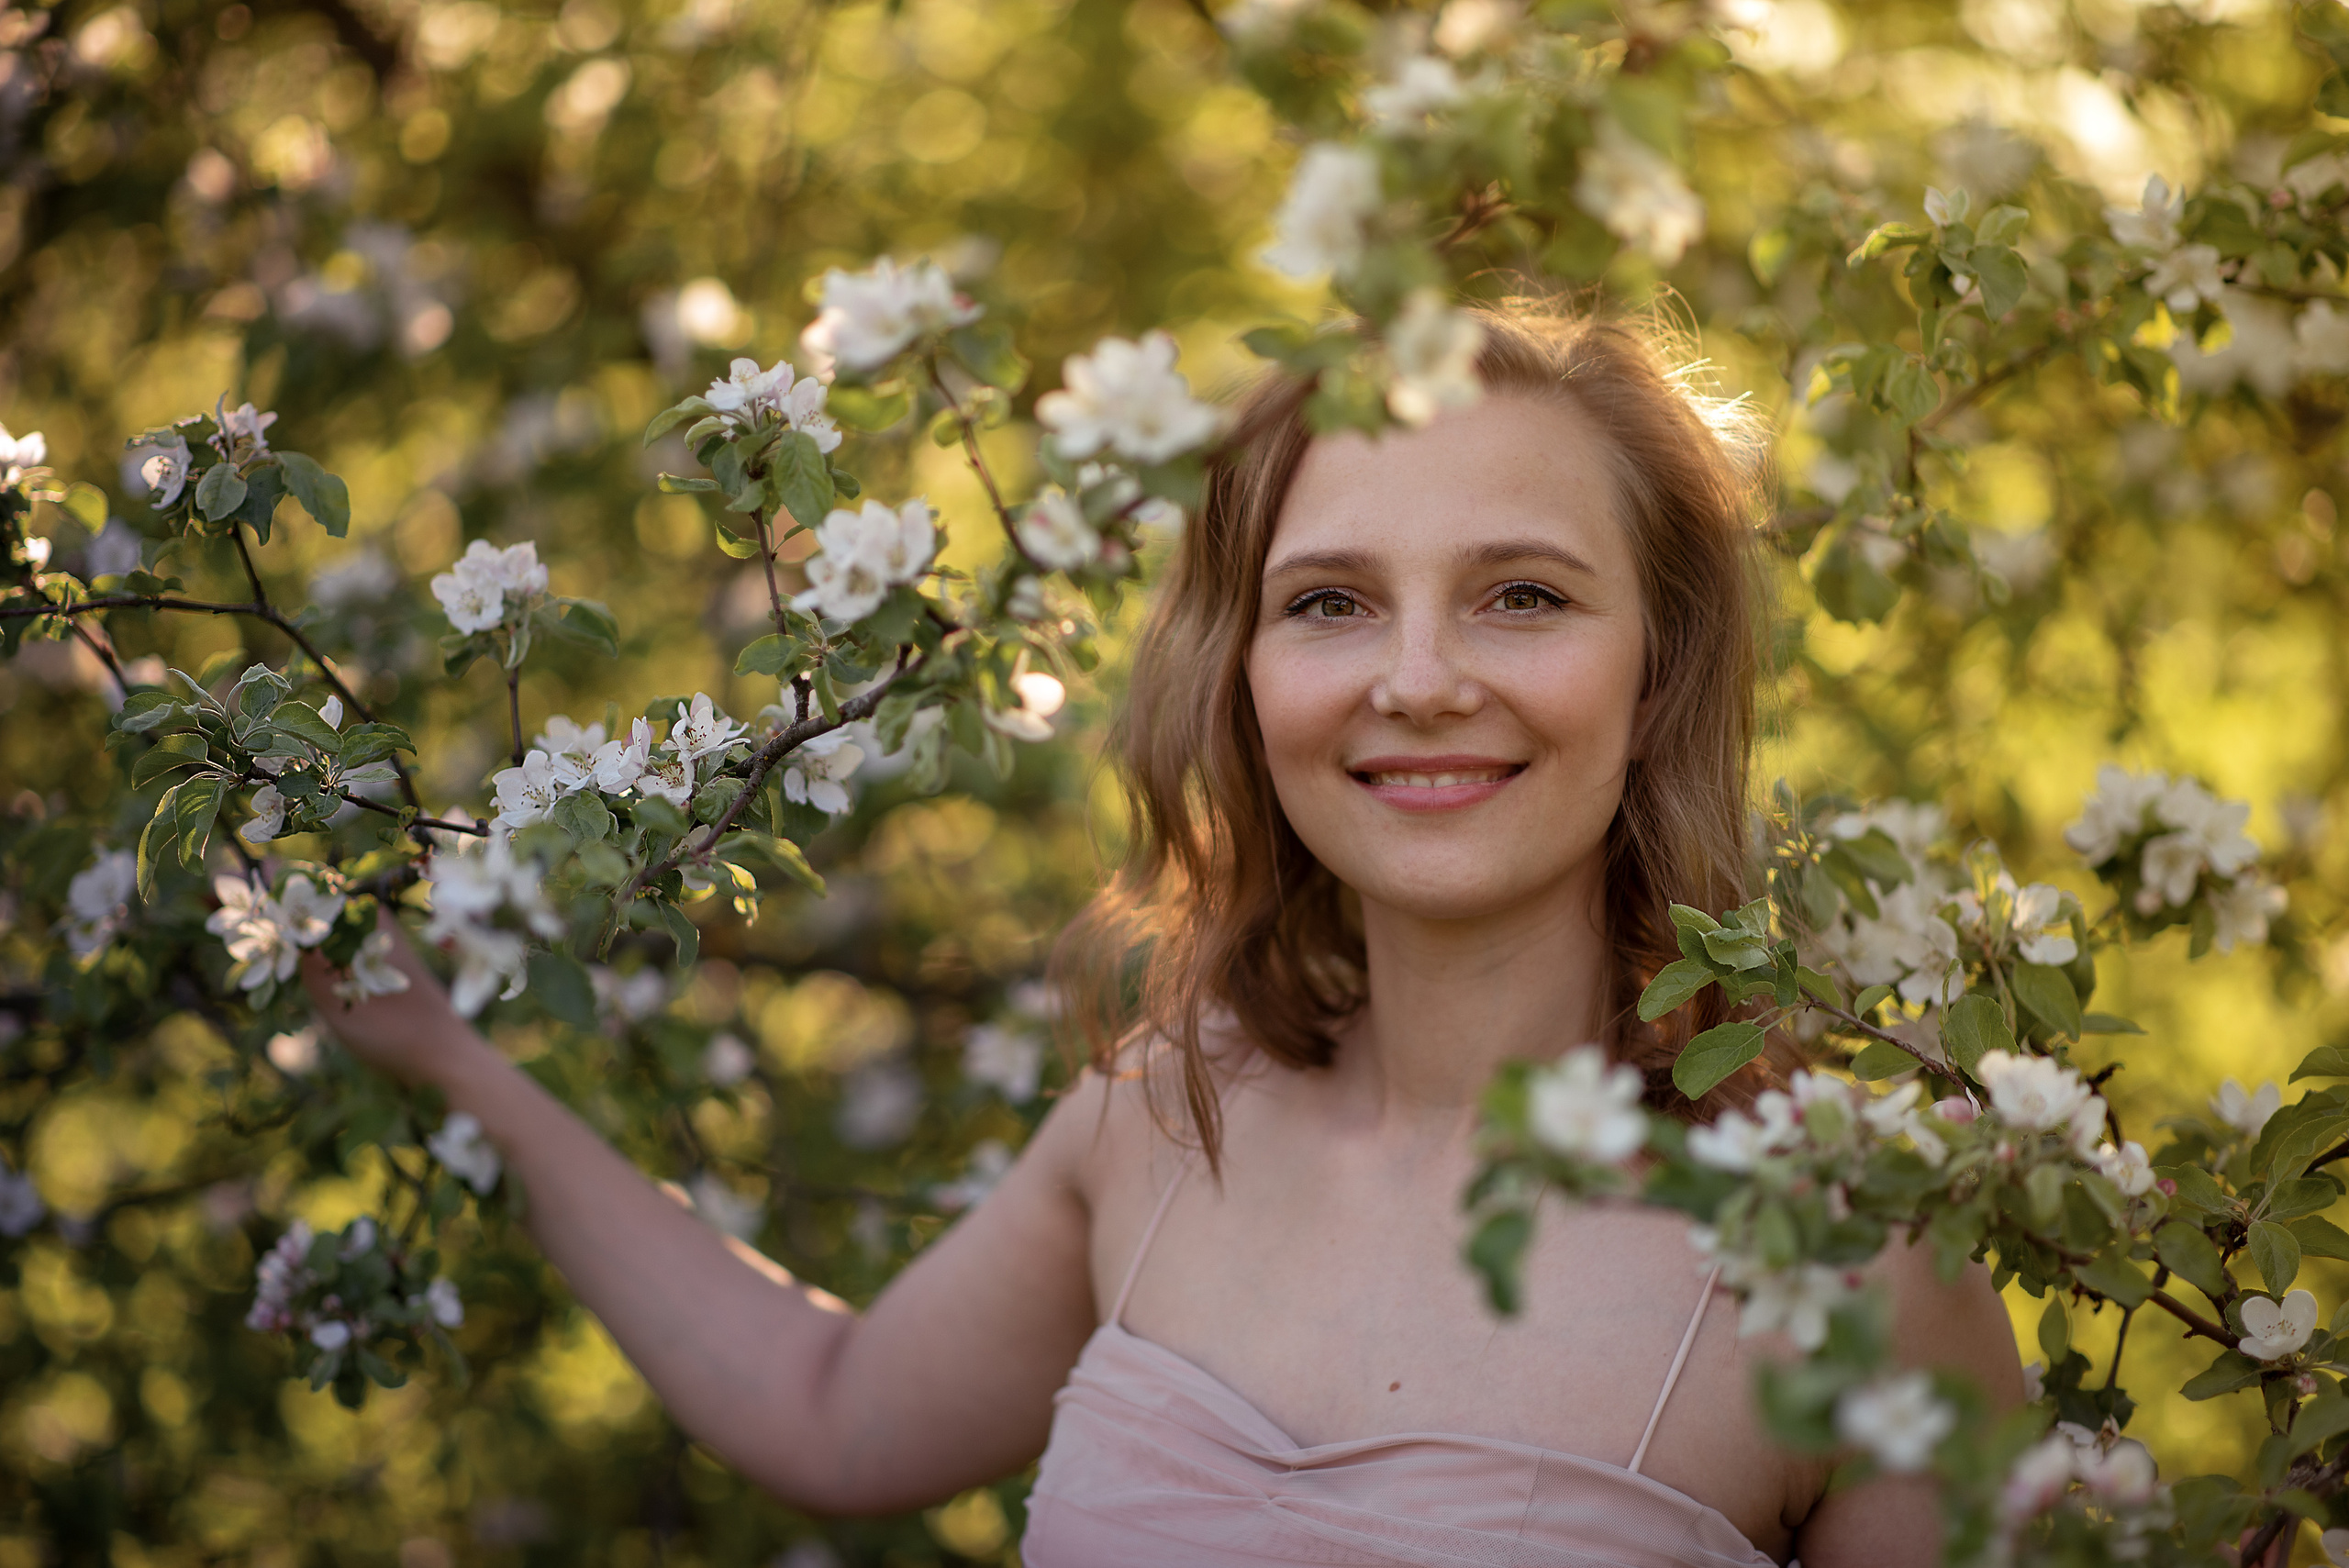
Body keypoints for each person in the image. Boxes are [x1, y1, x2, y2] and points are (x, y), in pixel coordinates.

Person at [306, 304, 2024, 1567]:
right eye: (1330, 601)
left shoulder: (1853, 1243)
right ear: (1246, 676)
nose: (1417, 676)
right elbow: (830, 1409)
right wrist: (458, 1064)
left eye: (1524, 593)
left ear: (1657, 674)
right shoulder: (1167, 1115)